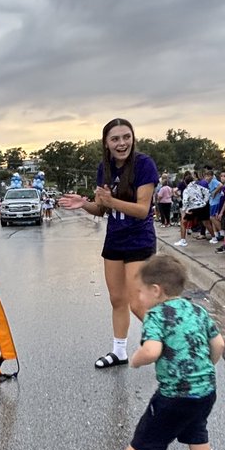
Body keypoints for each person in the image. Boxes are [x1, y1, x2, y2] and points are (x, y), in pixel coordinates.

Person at [86, 254, 225, 450]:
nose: (138, 298)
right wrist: (204, 368)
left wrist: (135, 360)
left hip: (175, 395)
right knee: (196, 428)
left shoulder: (157, 316)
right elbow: (219, 345)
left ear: (156, 290)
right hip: (206, 391)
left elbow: (152, 351)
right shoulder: (198, 310)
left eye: (140, 292)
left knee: (148, 432)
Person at [59, 118, 159, 369]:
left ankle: (175, 345)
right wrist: (83, 204)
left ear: (133, 138)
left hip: (139, 239)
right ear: (106, 142)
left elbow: (142, 209)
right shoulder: (103, 168)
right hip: (115, 239)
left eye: (126, 137)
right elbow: (102, 209)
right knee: (117, 299)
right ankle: (119, 351)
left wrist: (111, 201)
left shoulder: (144, 165)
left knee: (137, 302)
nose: (122, 143)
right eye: (115, 139)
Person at [173, 174, 210, 247]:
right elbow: (207, 192)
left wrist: (185, 211)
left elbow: (185, 201)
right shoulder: (198, 186)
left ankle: (183, 240)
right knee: (206, 221)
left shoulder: (186, 190)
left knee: (183, 222)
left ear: (185, 182)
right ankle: (214, 237)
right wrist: (205, 201)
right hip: (202, 206)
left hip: (192, 207)